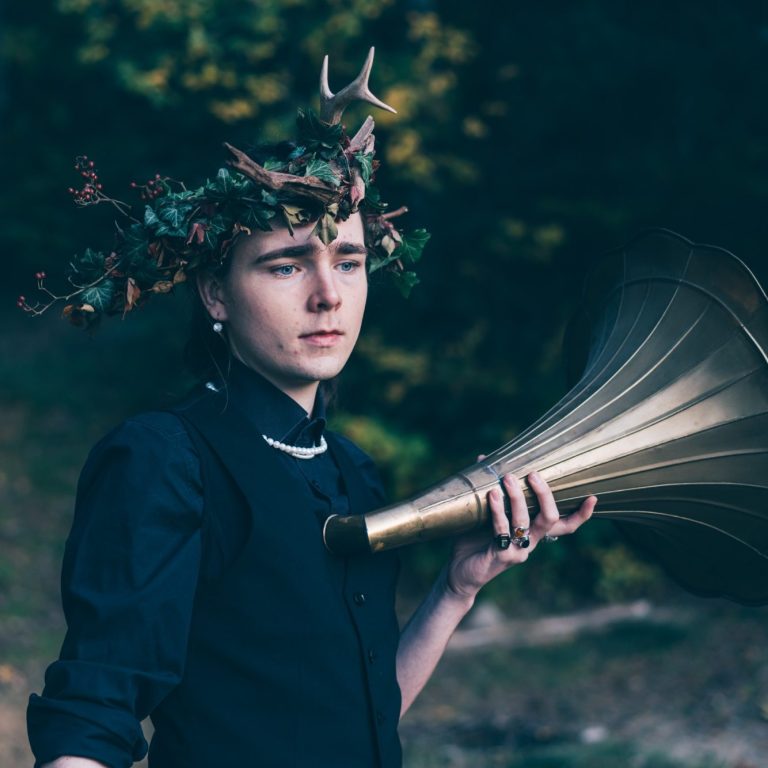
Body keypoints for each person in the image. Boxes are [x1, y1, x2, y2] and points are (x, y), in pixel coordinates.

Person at [25, 49, 596, 768]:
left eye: (349, 263)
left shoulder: (352, 469)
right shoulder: (164, 459)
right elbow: (92, 716)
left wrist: (456, 589)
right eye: (288, 264)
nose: (328, 295)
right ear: (214, 293)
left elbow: (358, 716)